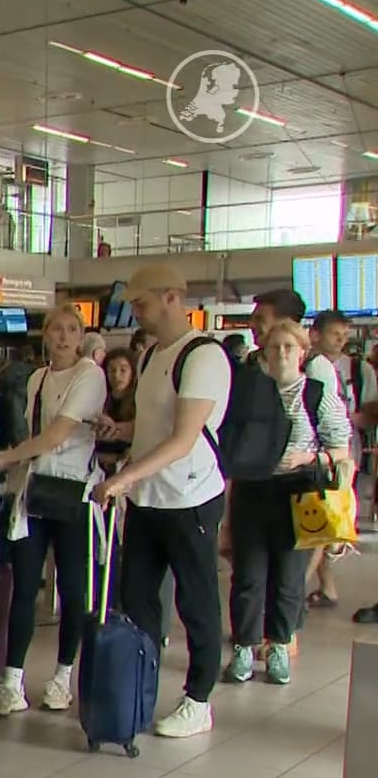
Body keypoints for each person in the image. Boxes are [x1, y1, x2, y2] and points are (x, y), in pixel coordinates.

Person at [93, 264, 230, 738]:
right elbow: (153, 428)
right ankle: (140, 685)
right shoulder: (152, 354)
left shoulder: (204, 356)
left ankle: (199, 698)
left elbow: (184, 438)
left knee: (196, 602)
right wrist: (123, 432)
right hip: (150, 499)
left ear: (173, 298)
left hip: (189, 498)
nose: (135, 311)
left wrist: (122, 478)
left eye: (142, 302)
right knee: (137, 599)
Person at [0, 306, 105, 715]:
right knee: (25, 587)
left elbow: (59, 433)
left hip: (73, 492)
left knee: (72, 588)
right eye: (56, 330)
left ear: (81, 336)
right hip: (36, 489)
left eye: (72, 330)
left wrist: (6, 457)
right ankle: (12, 679)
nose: (64, 337)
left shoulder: (90, 375)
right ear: (45, 335)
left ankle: (63, 676)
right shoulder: (37, 379)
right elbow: (36, 433)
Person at [224, 319, 350, 685]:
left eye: (288, 347)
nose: (281, 353)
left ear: (302, 352)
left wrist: (310, 459)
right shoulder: (250, 392)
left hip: (297, 491)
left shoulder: (316, 393)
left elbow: (339, 449)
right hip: (253, 488)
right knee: (248, 575)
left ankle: (279, 643)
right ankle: (244, 646)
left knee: (288, 576)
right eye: (274, 347)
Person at [306, 310, 370, 609]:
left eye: (345, 336)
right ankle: (325, 585)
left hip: (342, 456)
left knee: (324, 522)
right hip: (312, 455)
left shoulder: (358, 369)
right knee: (316, 521)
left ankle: (297, 591)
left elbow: (371, 410)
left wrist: (342, 420)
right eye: (336, 335)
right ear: (315, 334)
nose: (342, 341)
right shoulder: (306, 364)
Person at [97, 347, 138, 475]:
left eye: (123, 370)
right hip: (98, 466)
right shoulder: (99, 398)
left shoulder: (138, 400)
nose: (116, 375)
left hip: (125, 469)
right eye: (112, 370)